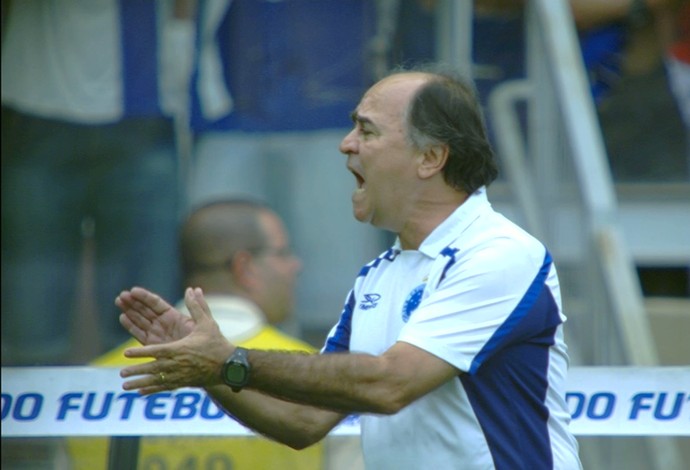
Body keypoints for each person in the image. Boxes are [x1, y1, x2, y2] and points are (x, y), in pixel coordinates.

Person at [116, 66, 583, 469]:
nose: (345, 144)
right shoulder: (377, 276)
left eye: (367, 131)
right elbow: (305, 420)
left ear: (430, 157)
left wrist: (229, 360)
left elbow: (390, 383)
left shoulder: (500, 253)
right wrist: (210, 369)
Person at [69, 199, 329, 469]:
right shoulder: (313, 373)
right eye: (283, 253)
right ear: (245, 267)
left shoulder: (94, 380)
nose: (295, 265)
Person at [1, 0, 183, 365]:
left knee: (144, 319)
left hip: (142, 114)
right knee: (31, 314)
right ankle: (29, 414)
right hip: (35, 113)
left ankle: (136, 416)